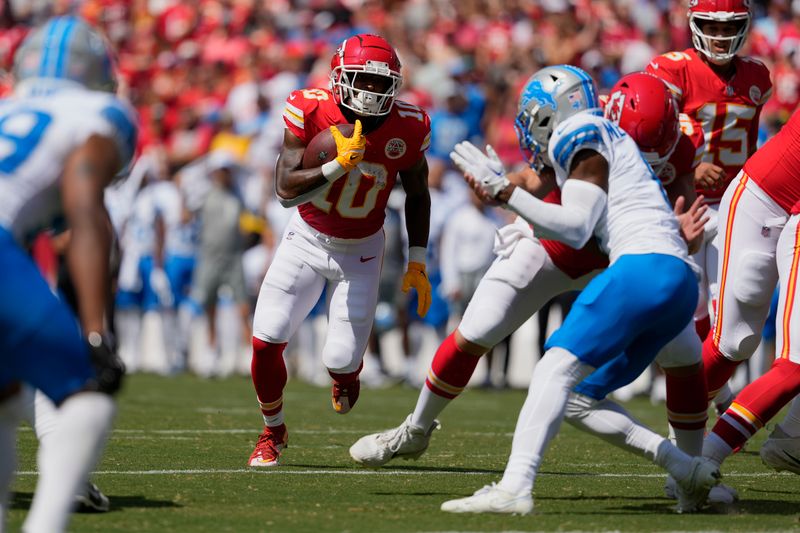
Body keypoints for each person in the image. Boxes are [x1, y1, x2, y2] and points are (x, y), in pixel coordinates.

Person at [352, 67, 718, 513]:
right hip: (568, 248)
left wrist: (679, 229)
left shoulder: (619, 134)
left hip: (629, 258)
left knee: (678, 358)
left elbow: (652, 208)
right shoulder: (593, 132)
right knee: (479, 330)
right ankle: (414, 429)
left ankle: (686, 469)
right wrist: (503, 187)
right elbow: (542, 187)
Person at [247, 34, 432, 467]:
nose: (369, 91)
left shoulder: (409, 124)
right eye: (361, 80)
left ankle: (347, 375)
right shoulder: (309, 108)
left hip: (362, 250)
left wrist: (418, 259)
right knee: (266, 337)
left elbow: (419, 193)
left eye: (378, 83)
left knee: (339, 358)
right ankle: (273, 430)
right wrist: (334, 166)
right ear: (339, 78)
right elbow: (285, 190)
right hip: (307, 237)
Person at [0, 15, 137, 533]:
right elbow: (84, 209)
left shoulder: (9, 108)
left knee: (5, 394)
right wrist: (96, 330)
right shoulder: (99, 113)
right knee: (87, 393)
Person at [646, 0, 772, 410]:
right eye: (710, 26)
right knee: (688, 306)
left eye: (729, 26)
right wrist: (690, 166)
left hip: (736, 204)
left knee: (726, 310)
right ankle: (712, 395)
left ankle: (704, 395)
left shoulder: (756, 75)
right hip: (684, 201)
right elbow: (653, 133)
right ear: (694, 24)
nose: (720, 36)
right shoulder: (672, 70)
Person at [688, 106, 800, 488]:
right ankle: (692, 452)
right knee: (735, 340)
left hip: (793, 208)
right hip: (764, 200)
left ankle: (792, 439)